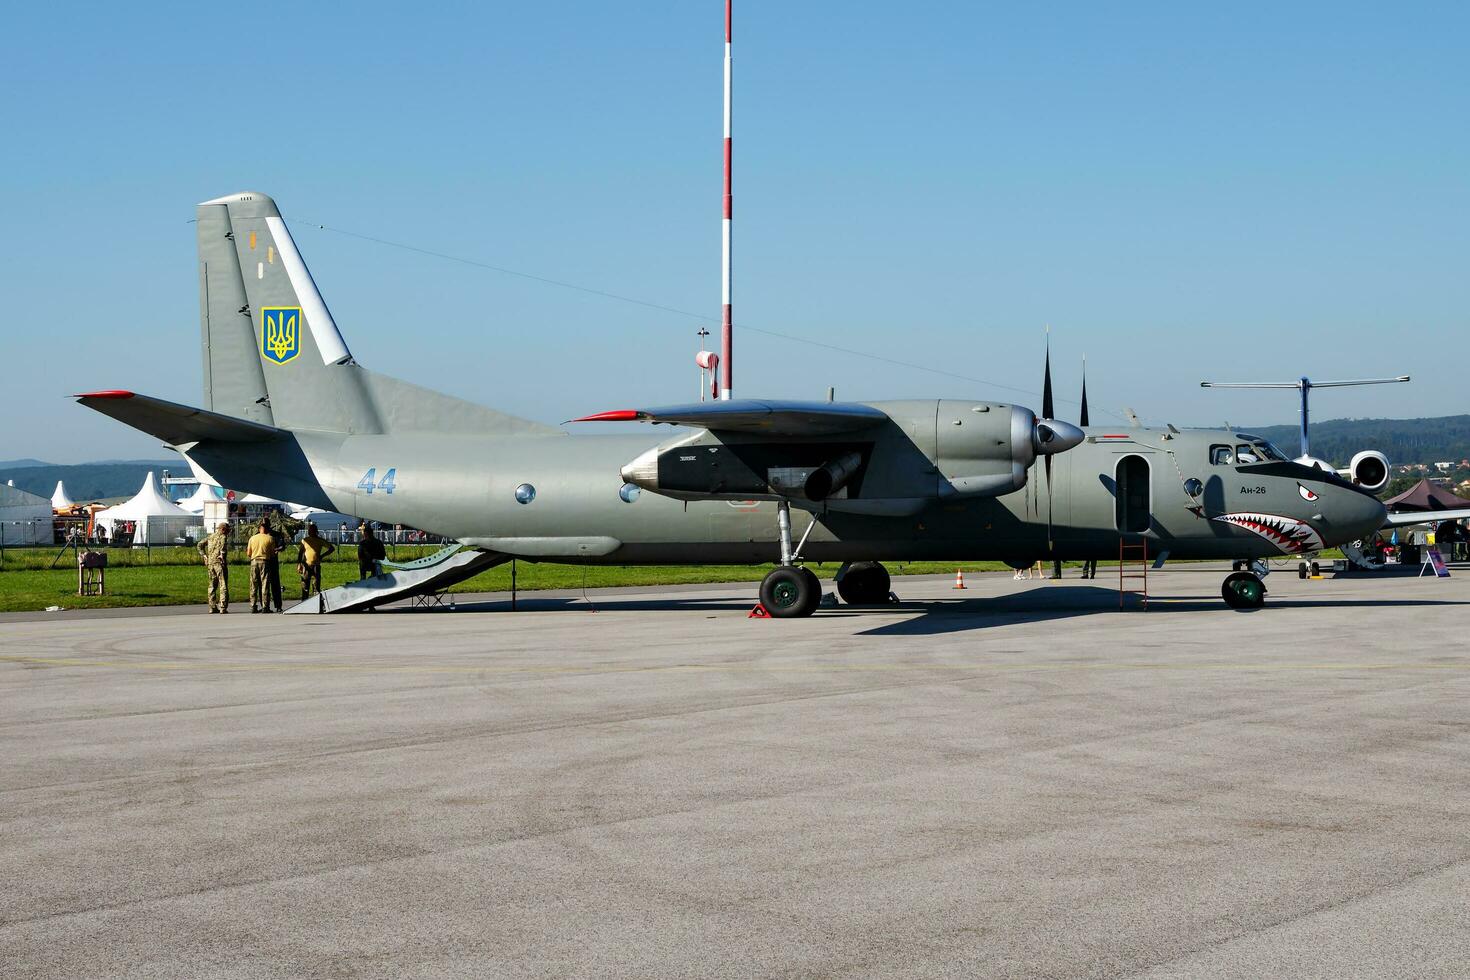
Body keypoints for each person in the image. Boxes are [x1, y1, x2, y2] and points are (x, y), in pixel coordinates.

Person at [196, 521, 232, 613]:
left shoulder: (211, 537)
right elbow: (223, 548)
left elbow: (200, 545)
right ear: (223, 529)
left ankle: (212, 607)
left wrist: (204, 556)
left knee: (212, 585)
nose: (228, 532)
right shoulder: (223, 537)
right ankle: (223, 607)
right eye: (228, 530)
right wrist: (222, 555)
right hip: (219, 563)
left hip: (211, 564)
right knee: (223, 584)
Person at [246, 520, 278, 613]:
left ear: (259, 529)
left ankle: (253, 606)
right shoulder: (270, 538)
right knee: (265, 584)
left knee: (253, 585)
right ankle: (265, 606)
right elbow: (272, 554)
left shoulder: (252, 538)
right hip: (265, 562)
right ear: (267, 529)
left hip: (254, 562)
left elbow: (248, 553)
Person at [297, 521, 335, 599]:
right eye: (309, 530)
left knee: (316, 587)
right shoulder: (304, 540)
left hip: (316, 566)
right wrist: (299, 563)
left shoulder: (320, 540)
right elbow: (300, 553)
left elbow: (331, 548)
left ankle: (316, 603)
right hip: (306, 566)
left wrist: (322, 556)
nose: (310, 532)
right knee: (305, 586)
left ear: (315, 531)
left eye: (312, 530)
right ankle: (304, 603)